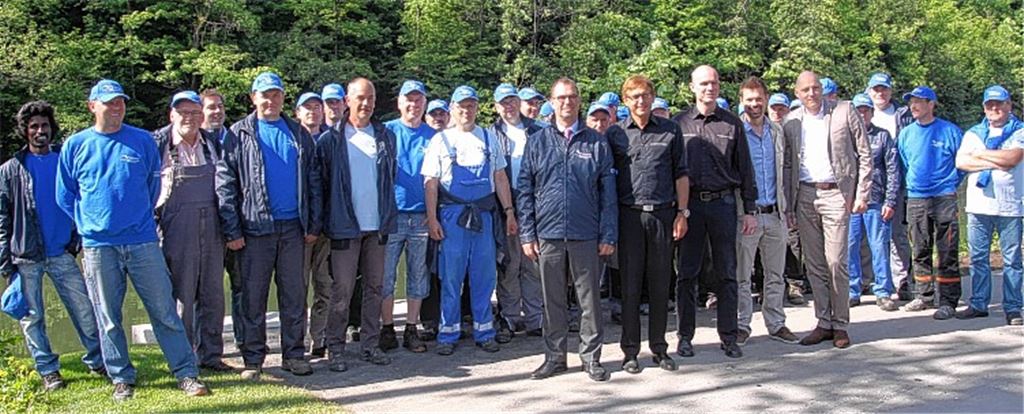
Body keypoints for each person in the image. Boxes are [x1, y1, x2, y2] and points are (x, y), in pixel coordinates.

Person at [57, 79, 209, 400]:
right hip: (99, 246)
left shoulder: (141, 141)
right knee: (109, 316)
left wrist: (135, 220)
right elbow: (65, 196)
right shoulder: (76, 145)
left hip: (142, 241)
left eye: (120, 102)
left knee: (164, 310)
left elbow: (153, 189)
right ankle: (121, 376)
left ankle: (185, 372)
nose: (116, 107)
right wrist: (93, 225)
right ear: (92, 106)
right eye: (109, 102)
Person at [217, 72, 316, 380]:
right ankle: (253, 359)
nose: (270, 100)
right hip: (254, 229)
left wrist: (313, 224)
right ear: (253, 98)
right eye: (264, 95)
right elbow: (225, 184)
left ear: (283, 97)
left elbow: (313, 182)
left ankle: (294, 355)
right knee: (252, 297)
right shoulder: (238, 134)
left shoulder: (298, 133)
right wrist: (232, 230)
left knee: (294, 296)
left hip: (293, 229)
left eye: (275, 94)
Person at [0, 100, 103, 392]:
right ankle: (48, 371)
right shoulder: (11, 170)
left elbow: (82, 201)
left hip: (62, 252)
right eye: (34, 127)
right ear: (25, 131)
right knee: (32, 318)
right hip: (26, 256)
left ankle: (98, 360)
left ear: (51, 128)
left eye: (44, 125)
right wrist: (5, 262)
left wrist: (77, 239)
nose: (40, 131)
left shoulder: (64, 160)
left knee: (84, 309)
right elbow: (2, 218)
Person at [519, 77, 616, 382]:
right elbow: (524, 189)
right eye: (561, 97)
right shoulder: (537, 141)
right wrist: (527, 233)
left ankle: (591, 357)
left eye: (572, 97)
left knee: (589, 301)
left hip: (585, 232)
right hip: (547, 234)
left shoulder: (596, 142)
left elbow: (608, 194)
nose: (566, 102)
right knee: (553, 300)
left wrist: (608, 234)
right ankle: (554, 357)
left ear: (579, 101)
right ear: (552, 101)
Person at [422, 85, 517, 356]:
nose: (466, 111)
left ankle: (484, 330)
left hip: (484, 216)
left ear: (478, 107)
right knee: (451, 276)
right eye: (461, 106)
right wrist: (432, 220)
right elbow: (430, 184)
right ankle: (447, 332)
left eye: (471, 105)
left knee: (484, 275)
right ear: (453, 109)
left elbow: (500, 177)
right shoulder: (440, 141)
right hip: (452, 217)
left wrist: (509, 211)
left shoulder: (489, 138)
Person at [310, 77, 397, 370]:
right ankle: (336, 348)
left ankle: (370, 345)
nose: (366, 103)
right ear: (347, 100)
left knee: (375, 287)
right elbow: (320, 185)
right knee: (341, 291)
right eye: (360, 97)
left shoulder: (384, 135)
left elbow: (389, 180)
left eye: (371, 98)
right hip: (344, 226)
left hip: (378, 227)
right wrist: (321, 224)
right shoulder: (331, 139)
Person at [783, 71, 871, 349]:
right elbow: (786, 165)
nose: (811, 94)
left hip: (837, 193)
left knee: (836, 262)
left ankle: (841, 324)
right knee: (816, 264)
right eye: (805, 90)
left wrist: (861, 194)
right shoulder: (791, 121)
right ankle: (823, 322)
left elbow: (865, 154)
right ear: (797, 93)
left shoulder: (845, 111)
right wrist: (787, 204)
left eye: (815, 88)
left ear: (822, 89)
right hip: (805, 194)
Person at [606, 75, 688, 371]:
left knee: (659, 284)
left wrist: (682, 212)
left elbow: (681, 173)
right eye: (634, 96)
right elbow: (606, 180)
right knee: (629, 285)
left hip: (663, 215)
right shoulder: (615, 134)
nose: (641, 101)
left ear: (653, 98)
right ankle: (630, 351)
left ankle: (660, 348)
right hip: (628, 216)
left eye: (645, 95)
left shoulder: (670, 130)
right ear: (625, 101)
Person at [674, 66, 756, 355]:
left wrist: (749, 209)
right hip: (690, 207)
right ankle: (685, 337)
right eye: (704, 83)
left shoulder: (732, 124)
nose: (710, 88)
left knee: (727, 273)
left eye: (714, 83)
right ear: (692, 87)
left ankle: (729, 337)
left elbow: (745, 168)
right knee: (687, 273)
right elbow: (671, 171)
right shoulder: (678, 123)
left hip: (724, 204)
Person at [153, 91, 230, 371]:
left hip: (212, 227)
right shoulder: (158, 144)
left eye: (195, 113)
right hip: (176, 228)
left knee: (213, 295)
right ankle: (183, 359)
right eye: (183, 112)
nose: (190, 118)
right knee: (182, 296)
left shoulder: (212, 144)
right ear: (171, 115)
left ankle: (211, 355)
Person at [734, 77, 801, 344]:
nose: (754, 104)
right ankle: (741, 324)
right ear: (741, 101)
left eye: (758, 99)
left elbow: (786, 172)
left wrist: (788, 209)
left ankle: (776, 323)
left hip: (775, 213)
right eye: (749, 100)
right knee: (742, 275)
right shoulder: (735, 132)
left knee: (775, 274)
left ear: (766, 99)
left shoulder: (777, 131)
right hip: (747, 215)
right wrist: (741, 212)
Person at [955, 85, 1024, 325]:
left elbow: (1013, 159)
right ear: (984, 108)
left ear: (1009, 105)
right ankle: (978, 303)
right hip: (978, 206)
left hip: (1010, 206)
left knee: (1012, 260)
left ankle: (1013, 307)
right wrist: (995, 158)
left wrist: (981, 155)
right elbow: (962, 162)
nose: (994, 109)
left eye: (999, 104)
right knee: (977, 258)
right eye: (989, 105)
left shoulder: (1019, 132)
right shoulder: (973, 133)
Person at [896, 86, 964, 319]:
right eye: (911, 102)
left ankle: (948, 300)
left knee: (947, 250)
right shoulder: (905, 134)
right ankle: (923, 296)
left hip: (944, 196)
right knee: (920, 248)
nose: (913, 106)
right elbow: (905, 164)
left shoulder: (949, 131)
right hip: (916, 197)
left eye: (919, 102)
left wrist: (950, 183)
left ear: (931, 104)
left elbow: (962, 162)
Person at [487, 83, 545, 343]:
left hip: (535, 206)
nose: (508, 106)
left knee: (533, 264)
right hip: (504, 208)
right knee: (509, 264)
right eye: (503, 103)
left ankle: (536, 318)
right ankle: (509, 317)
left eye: (512, 101)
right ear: (495, 107)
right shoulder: (490, 135)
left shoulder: (539, 131)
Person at [381, 80, 433, 353]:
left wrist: (434, 214)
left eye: (418, 100)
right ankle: (387, 327)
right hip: (391, 216)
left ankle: (411, 327)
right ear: (400, 103)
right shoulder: (386, 131)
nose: (414, 105)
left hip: (422, 217)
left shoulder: (434, 134)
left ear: (424, 104)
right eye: (408, 100)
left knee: (417, 274)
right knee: (385, 275)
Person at [199, 89, 245, 345]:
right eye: (210, 107)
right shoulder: (195, 141)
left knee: (241, 287)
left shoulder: (237, 137)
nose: (216, 111)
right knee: (208, 291)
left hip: (237, 226)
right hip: (206, 228)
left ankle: (243, 339)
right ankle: (207, 347)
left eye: (219, 106)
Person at [846, 93, 900, 311]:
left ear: (871, 112)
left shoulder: (883, 136)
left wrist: (891, 200)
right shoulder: (845, 137)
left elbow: (893, 170)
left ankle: (883, 291)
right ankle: (852, 289)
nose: (862, 114)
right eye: (858, 110)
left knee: (879, 246)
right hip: (850, 200)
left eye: (866, 110)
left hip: (876, 200)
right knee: (849, 246)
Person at [865, 72, 915, 301]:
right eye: (876, 89)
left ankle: (902, 280)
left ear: (890, 91)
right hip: (870, 187)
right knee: (866, 238)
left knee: (897, 235)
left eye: (884, 89)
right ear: (869, 92)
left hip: (899, 183)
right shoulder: (860, 113)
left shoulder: (904, 115)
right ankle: (872, 281)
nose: (880, 93)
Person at [292, 91, 333, 357]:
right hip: (300, 228)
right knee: (297, 288)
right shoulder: (291, 140)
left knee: (326, 286)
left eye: (317, 107)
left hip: (329, 228)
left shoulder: (332, 140)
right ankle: (294, 342)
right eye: (307, 108)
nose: (313, 112)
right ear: (297, 112)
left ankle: (319, 339)